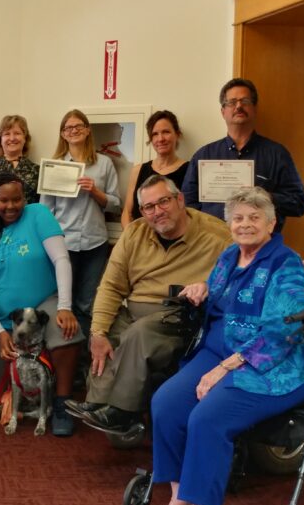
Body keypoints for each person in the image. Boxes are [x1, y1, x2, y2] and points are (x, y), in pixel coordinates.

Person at [148, 187, 304, 505]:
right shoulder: (229, 256)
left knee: (207, 418)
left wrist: (225, 368)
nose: (245, 224)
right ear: (229, 224)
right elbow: (220, 293)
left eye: (255, 217)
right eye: (238, 218)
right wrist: (201, 288)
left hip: (273, 364)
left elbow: (285, 331)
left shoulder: (286, 264)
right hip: (220, 351)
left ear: (271, 224)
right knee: (165, 403)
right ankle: (181, 496)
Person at [70, 175, 231, 434]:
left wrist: (297, 268)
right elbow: (111, 286)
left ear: (180, 200)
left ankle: (123, 412)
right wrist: (97, 332)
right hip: (134, 310)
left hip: (180, 314)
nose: (157, 212)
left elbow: (254, 256)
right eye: (148, 207)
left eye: (163, 202)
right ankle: (99, 405)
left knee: (139, 333)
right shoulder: (135, 232)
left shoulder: (217, 233)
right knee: (107, 329)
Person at [0, 173, 83, 436]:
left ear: (25, 198)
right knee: (6, 375)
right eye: (4, 200)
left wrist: (65, 306)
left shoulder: (38, 214)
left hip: (45, 301)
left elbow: (62, 260)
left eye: (17, 199)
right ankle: (16, 401)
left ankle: (62, 404)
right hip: (5, 315)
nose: (11, 206)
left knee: (66, 334)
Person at [181, 78, 304, 232]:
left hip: (263, 249)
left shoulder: (277, 154)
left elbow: (299, 204)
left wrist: (264, 197)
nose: (239, 106)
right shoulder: (204, 156)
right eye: (232, 102)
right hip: (214, 247)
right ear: (223, 112)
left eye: (245, 101)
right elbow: (188, 206)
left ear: (254, 108)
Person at [41, 109, 120, 341]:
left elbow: (115, 204)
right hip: (63, 245)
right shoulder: (54, 166)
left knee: (87, 304)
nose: (73, 131)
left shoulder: (104, 163)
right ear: (62, 134)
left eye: (78, 127)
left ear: (87, 130)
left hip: (95, 244)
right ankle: (67, 353)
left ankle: (86, 359)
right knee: (63, 303)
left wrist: (95, 191)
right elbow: (46, 212)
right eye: (68, 128)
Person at [121, 110, 189, 226]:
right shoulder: (138, 171)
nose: (160, 139)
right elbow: (127, 213)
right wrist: (131, 239)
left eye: (166, 132)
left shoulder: (189, 170)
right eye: (155, 134)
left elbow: (191, 214)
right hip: (140, 240)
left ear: (177, 135)